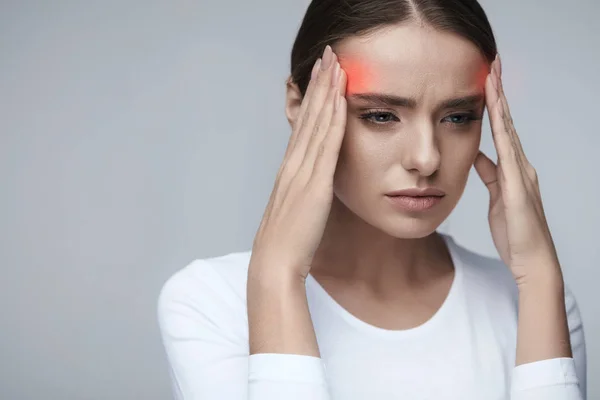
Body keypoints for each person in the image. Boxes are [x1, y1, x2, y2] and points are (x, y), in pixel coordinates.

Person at [157, 0, 587, 399]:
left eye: (457, 117)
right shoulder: (211, 304)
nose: (426, 157)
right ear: (298, 106)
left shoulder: (533, 300)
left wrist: (540, 279)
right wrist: (277, 278)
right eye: (380, 115)